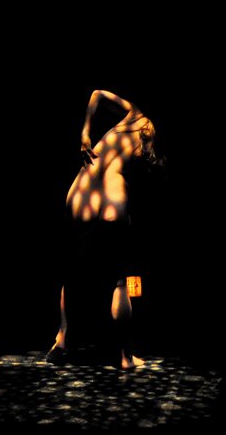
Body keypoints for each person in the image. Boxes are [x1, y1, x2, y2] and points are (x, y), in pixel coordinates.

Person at [47, 90, 161, 369]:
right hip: (112, 196)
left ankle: (62, 338)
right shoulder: (147, 130)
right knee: (118, 280)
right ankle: (124, 356)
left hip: (80, 193)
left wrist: (85, 134)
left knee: (71, 272)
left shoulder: (132, 114)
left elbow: (97, 94)